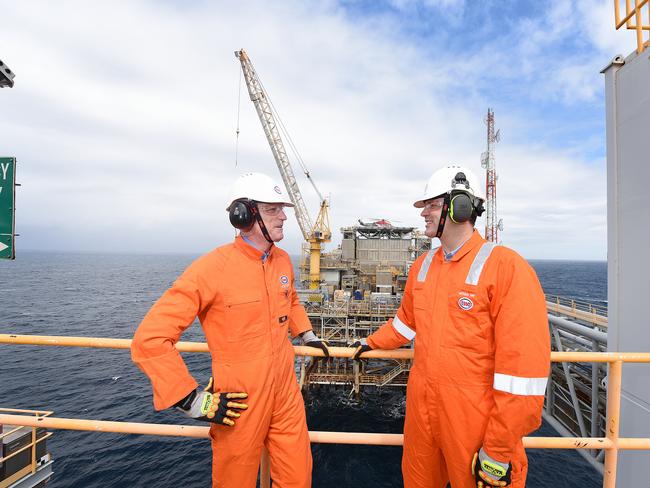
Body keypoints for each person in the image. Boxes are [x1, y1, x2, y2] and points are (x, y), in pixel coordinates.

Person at [351, 165, 550, 488]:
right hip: (422, 415)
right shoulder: (424, 265)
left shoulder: (507, 268)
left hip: (475, 420)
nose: (423, 214)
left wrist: (498, 449)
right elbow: (405, 323)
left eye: (430, 205)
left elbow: (523, 375)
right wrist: (370, 342)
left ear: (459, 206)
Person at [131, 172, 329, 487]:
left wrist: (308, 335)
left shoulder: (281, 262)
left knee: (298, 477)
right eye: (273, 209)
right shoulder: (212, 269)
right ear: (245, 215)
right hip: (238, 400)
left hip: (286, 390)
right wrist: (192, 401)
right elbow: (149, 340)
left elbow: (289, 300)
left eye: (282, 209)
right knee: (234, 481)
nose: (283, 216)